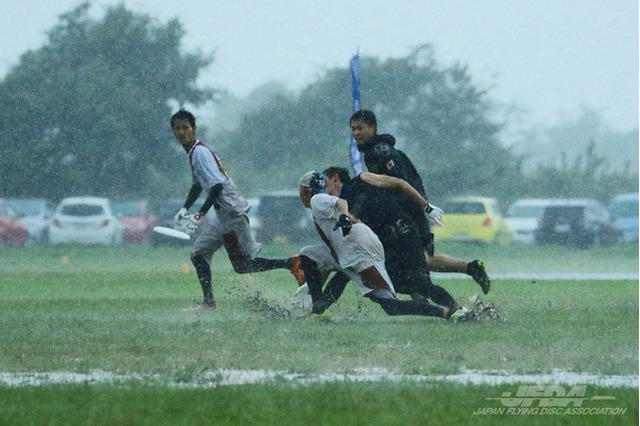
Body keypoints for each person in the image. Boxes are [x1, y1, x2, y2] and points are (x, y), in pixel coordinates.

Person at [296, 170, 471, 321]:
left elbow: (396, 184)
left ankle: (450, 312)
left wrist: (427, 208)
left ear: (306, 191)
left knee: (403, 297)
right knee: (311, 256)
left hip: (377, 247)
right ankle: (318, 305)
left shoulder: (320, 199)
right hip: (358, 251)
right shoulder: (329, 202)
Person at [349, 109, 491, 294]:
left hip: (409, 212)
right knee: (419, 260)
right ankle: (469, 270)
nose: (355, 133)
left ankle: (457, 280)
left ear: (372, 128)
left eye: (360, 128)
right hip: (407, 211)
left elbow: (400, 182)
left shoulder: (381, 152)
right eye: (352, 129)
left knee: (421, 261)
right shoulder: (373, 151)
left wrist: (423, 207)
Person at [170, 108, 299, 310]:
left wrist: (200, 213)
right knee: (198, 254)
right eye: (177, 129)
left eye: (185, 128)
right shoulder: (193, 153)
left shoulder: (200, 152)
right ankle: (209, 303)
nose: (181, 132)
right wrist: (184, 208)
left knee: (245, 265)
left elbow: (217, 185)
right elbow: (198, 185)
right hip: (222, 217)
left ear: (194, 129)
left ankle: (292, 263)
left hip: (233, 214)